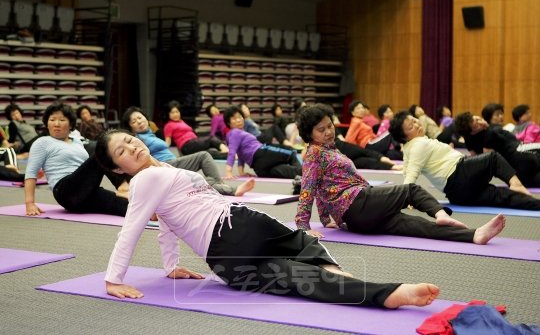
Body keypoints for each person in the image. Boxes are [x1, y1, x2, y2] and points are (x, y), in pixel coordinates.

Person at [95, 128, 442, 309]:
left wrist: (171, 264)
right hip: (235, 232)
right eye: (122, 152)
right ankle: (358, 281)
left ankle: (384, 293)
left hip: (230, 250)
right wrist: (113, 279)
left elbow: (168, 223)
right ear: (116, 168)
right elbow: (132, 227)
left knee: (302, 274)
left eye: (130, 141)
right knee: (305, 246)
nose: (132, 148)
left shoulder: (163, 170)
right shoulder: (144, 180)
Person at [295, 104, 506, 243]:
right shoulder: (314, 155)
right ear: (309, 134)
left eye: (329, 126)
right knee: (411, 190)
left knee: (416, 226)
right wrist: (303, 226)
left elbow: (322, 189)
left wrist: (325, 219)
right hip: (358, 202)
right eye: (321, 130)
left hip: (360, 217)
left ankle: (474, 235)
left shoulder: (329, 149)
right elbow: (308, 189)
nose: (328, 132)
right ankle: (442, 215)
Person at [388, 111, 540, 209]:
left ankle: (536, 204)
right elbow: (411, 175)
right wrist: (406, 197)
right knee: (492, 159)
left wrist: (407, 199)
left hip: (457, 194)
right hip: (460, 175)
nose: (416, 124)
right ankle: (517, 184)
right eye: (411, 126)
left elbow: (407, 171)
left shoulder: (409, 147)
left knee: (502, 196)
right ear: (404, 136)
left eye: (414, 120)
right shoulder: (418, 145)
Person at [122, 106, 254, 197]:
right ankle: (229, 189)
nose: (138, 122)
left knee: (196, 180)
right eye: (134, 121)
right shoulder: (138, 139)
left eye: (140, 118)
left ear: (146, 117)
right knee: (203, 156)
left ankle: (220, 185)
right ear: (131, 127)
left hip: (171, 163)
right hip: (166, 165)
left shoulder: (151, 133)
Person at [24, 102, 128, 216]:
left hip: (86, 191)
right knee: (101, 153)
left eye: (62, 120)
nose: (56, 124)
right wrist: (30, 203)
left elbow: (87, 169)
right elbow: (30, 173)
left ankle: (150, 211)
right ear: (47, 123)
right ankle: (123, 185)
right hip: (65, 191)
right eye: (52, 120)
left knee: (124, 205)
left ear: (71, 124)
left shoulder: (77, 141)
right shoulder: (42, 143)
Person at [454, 112, 540, 187]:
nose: (481, 122)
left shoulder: (470, 139)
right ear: (472, 132)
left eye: (478, 119)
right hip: (522, 157)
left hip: (520, 170)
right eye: (477, 125)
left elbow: (477, 162)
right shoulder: (489, 134)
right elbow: (486, 161)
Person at [223, 105, 301, 179]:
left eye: (240, 117)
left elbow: (240, 155)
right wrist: (228, 172)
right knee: (291, 152)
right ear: (228, 123)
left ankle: (304, 174)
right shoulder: (235, 132)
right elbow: (232, 153)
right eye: (234, 118)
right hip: (262, 153)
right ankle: (307, 175)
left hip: (259, 169)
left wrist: (241, 172)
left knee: (291, 171)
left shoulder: (235, 134)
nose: (238, 120)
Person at [154, 102, 228, 158]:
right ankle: (228, 151)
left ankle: (228, 156)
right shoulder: (169, 125)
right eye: (172, 112)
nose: (175, 114)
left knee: (209, 153)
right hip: (187, 145)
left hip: (193, 143)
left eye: (177, 112)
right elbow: (168, 142)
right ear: (168, 114)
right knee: (211, 139)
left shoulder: (182, 122)